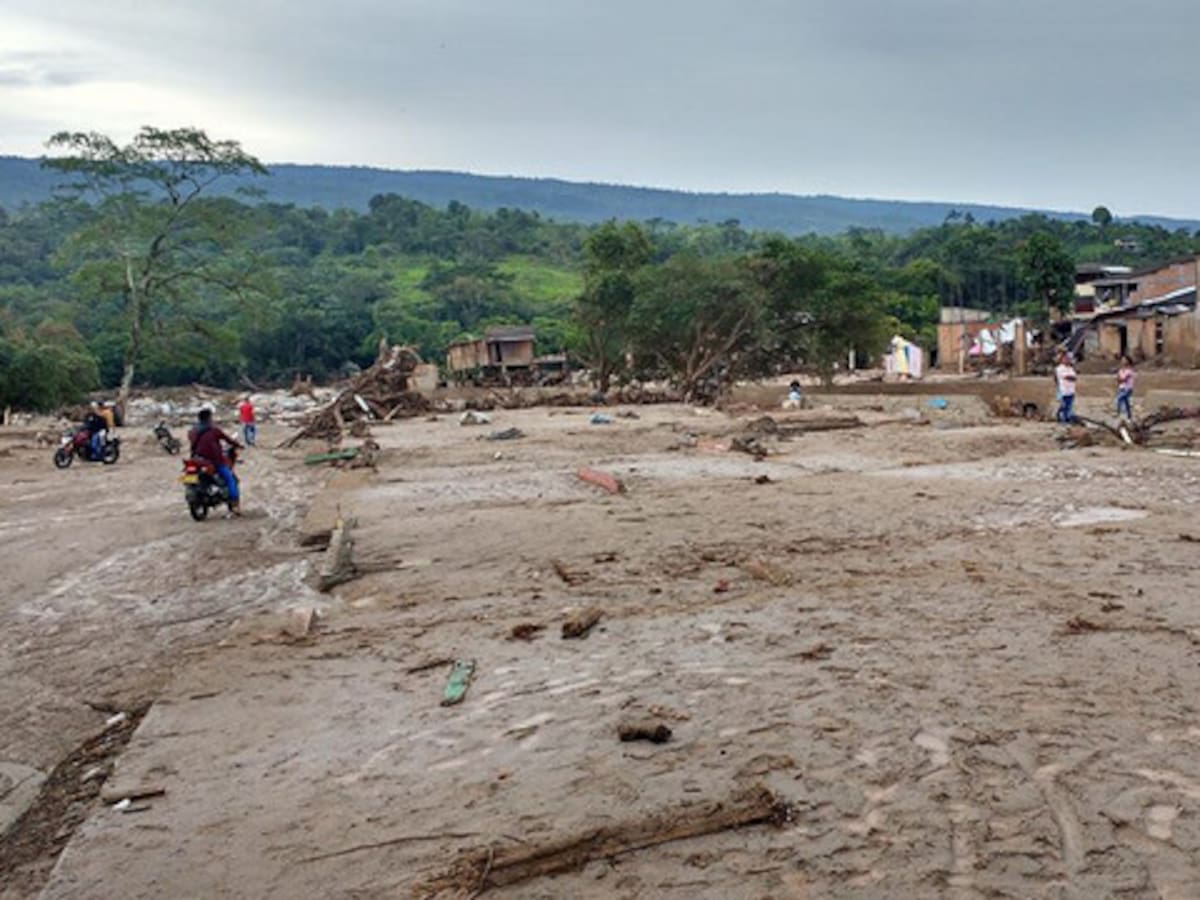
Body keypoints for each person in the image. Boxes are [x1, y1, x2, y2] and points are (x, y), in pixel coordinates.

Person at [188, 407, 244, 516]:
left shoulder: (192, 431)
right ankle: (235, 505)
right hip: (213, 461)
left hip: (196, 459)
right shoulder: (214, 430)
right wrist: (238, 445)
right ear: (209, 418)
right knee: (230, 479)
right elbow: (228, 439)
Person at [1055, 352, 1078, 423]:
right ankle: (1061, 419)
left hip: (1071, 390)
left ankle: (1067, 418)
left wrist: (1072, 377)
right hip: (1064, 390)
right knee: (1064, 405)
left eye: (1068, 359)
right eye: (1066, 359)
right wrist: (1071, 377)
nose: (1067, 360)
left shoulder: (1070, 368)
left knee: (1069, 406)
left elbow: (1074, 377)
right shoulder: (1059, 368)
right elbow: (1067, 377)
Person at [1115, 356, 1135, 420]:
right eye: (1122, 359)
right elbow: (1118, 379)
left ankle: (1118, 413)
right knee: (1126, 402)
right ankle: (1129, 416)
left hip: (1128, 388)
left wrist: (1120, 380)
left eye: (1124, 360)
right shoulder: (1120, 370)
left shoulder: (1130, 370)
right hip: (1121, 388)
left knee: (1119, 399)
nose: (1123, 361)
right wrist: (1120, 380)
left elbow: (1124, 379)